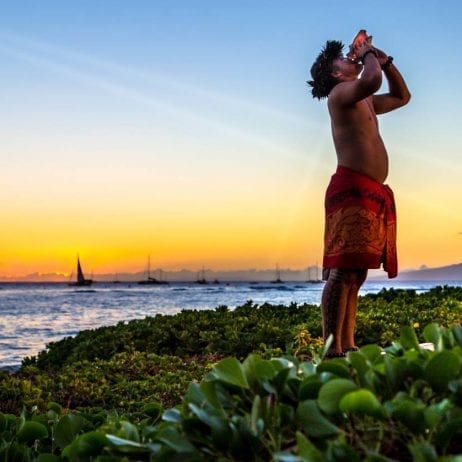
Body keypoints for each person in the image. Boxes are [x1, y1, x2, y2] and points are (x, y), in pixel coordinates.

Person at [308, 34, 411, 357]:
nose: (347, 57)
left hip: (370, 191)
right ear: (336, 74)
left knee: (357, 272)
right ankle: (331, 349)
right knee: (342, 270)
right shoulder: (341, 94)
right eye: (342, 58)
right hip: (350, 188)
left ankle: (348, 344)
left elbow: (402, 96)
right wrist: (367, 54)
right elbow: (371, 79)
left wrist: (385, 60)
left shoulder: (364, 98)